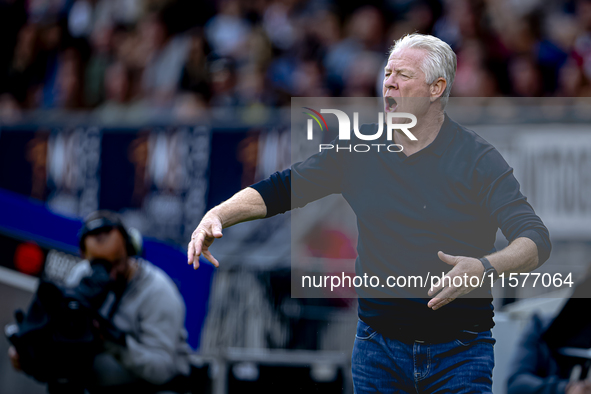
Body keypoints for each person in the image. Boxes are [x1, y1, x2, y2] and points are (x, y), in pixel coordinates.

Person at [187, 33, 551, 393]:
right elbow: (283, 188)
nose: (389, 83)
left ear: (437, 88)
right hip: (378, 351)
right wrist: (218, 215)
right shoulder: (358, 150)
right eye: (388, 73)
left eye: (403, 76)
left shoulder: (478, 160)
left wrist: (484, 268)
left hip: (459, 354)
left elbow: (535, 239)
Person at [9, 210, 191, 393]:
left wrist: (112, 341)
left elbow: (162, 370)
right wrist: (30, 350)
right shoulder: (83, 274)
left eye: (115, 263)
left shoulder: (158, 291)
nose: (107, 274)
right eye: (99, 264)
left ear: (130, 248)